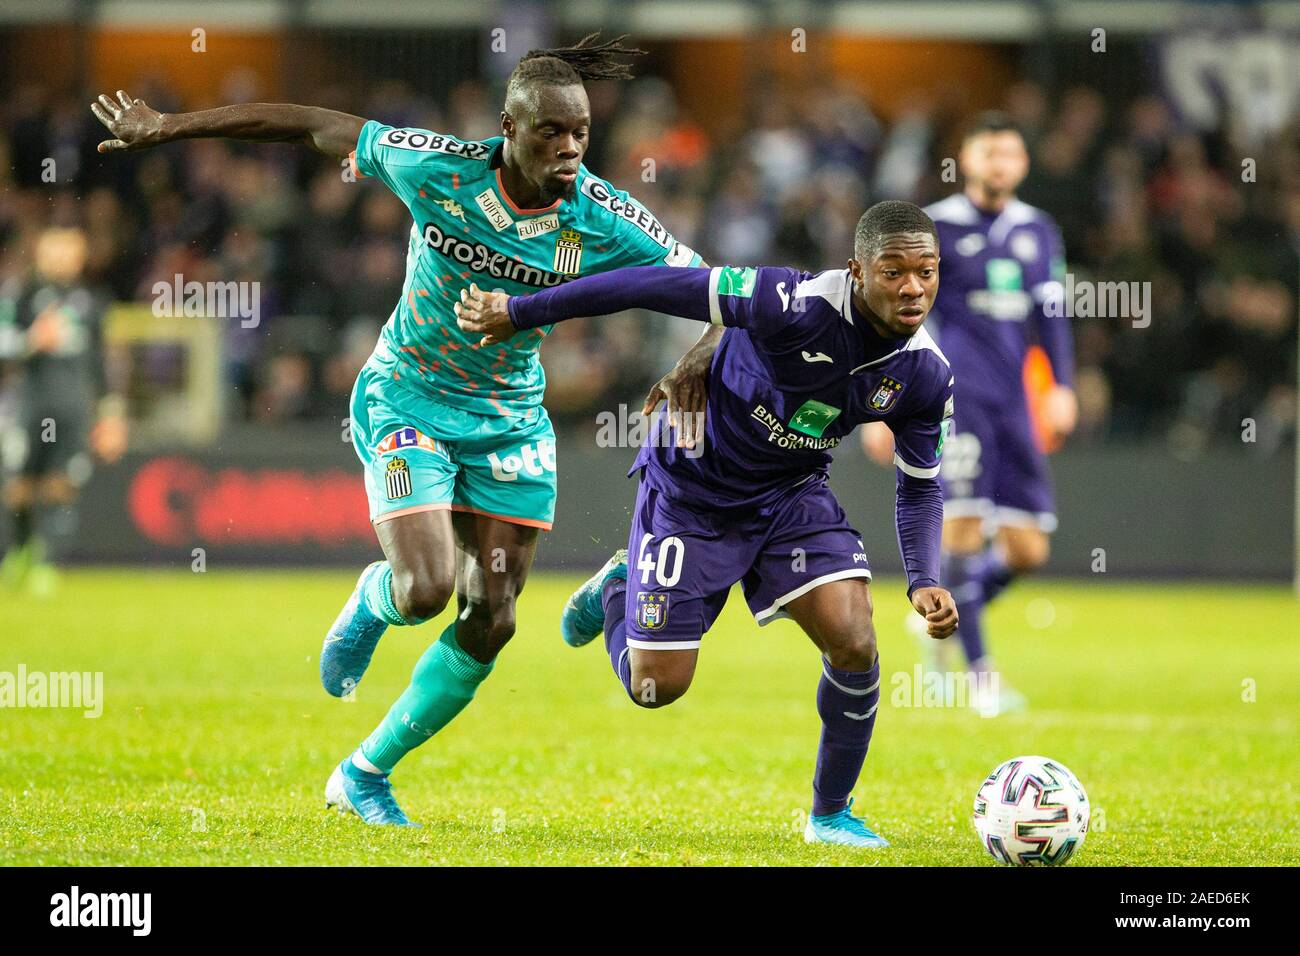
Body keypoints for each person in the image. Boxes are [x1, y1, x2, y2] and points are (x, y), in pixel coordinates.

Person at [91, 33, 720, 826]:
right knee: (423, 591)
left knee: (492, 618)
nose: (569, 149)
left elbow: (719, 292)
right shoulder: (435, 164)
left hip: (511, 421)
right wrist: (168, 125)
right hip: (408, 399)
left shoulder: (601, 216)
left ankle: (364, 772)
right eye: (550, 133)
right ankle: (372, 600)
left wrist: (694, 362)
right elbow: (307, 123)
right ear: (507, 128)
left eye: (582, 134)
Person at [457, 200, 958, 847]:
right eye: (894, 271)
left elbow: (920, 488)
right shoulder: (791, 301)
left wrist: (924, 579)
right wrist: (520, 311)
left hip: (788, 494)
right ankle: (618, 590)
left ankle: (830, 814)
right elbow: (652, 284)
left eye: (927, 271)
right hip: (691, 487)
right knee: (654, 688)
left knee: (855, 638)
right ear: (857, 271)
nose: (913, 287)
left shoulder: (925, 374)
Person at [860, 113, 1075, 715]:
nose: (999, 164)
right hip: (953, 402)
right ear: (967, 159)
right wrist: (884, 404)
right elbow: (895, 321)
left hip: (1016, 405)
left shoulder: (1039, 230)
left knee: (1028, 549)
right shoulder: (937, 230)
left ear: (1023, 164)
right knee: (960, 529)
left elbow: (1051, 318)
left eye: (1010, 154)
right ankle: (979, 676)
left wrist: (1060, 385)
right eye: (988, 153)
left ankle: (940, 612)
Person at [0, 226, 127, 596]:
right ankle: (19, 551)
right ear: (40, 253)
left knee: (61, 485)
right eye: (54, 251)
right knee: (18, 487)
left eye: (69, 252)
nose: (61, 258)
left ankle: (45, 563)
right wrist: (31, 340)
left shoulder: (93, 301)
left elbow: (103, 364)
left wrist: (111, 414)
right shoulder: (22, 295)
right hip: (30, 404)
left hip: (73, 408)